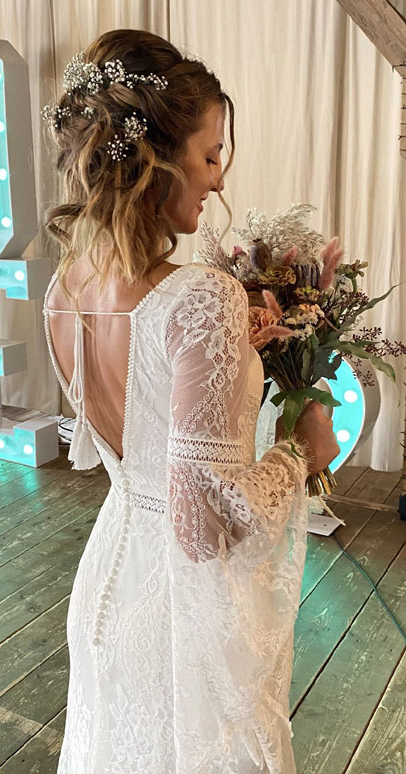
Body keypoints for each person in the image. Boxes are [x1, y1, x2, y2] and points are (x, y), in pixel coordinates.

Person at [41, 29, 340, 774]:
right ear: (155, 159)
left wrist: (237, 354)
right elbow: (205, 524)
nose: (219, 180)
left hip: (108, 582)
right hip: (175, 615)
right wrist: (301, 450)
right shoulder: (201, 295)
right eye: (210, 156)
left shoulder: (66, 288)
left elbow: (144, 424)